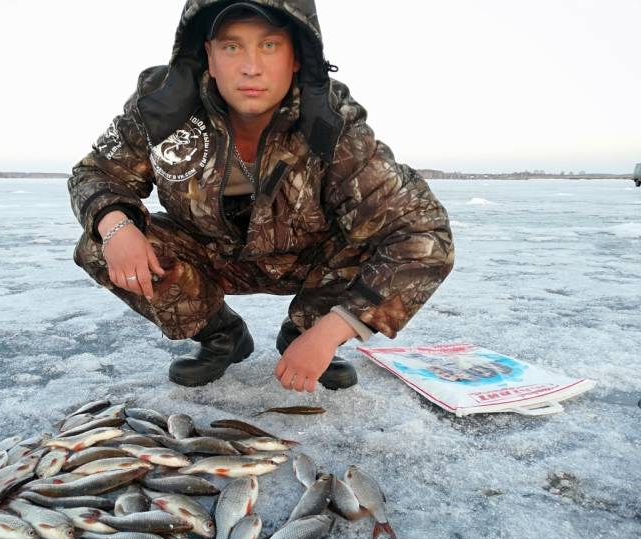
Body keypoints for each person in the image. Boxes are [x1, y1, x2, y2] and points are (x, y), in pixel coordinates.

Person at [68, 0, 455, 393]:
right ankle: (221, 335)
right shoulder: (161, 106)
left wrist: (333, 330)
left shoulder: (333, 121)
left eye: (269, 46)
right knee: (98, 243)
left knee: (374, 237)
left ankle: (305, 332)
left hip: (309, 260)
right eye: (232, 47)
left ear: (297, 57)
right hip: (208, 255)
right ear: (209, 56)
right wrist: (115, 225)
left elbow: (424, 235)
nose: (250, 67)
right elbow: (95, 172)